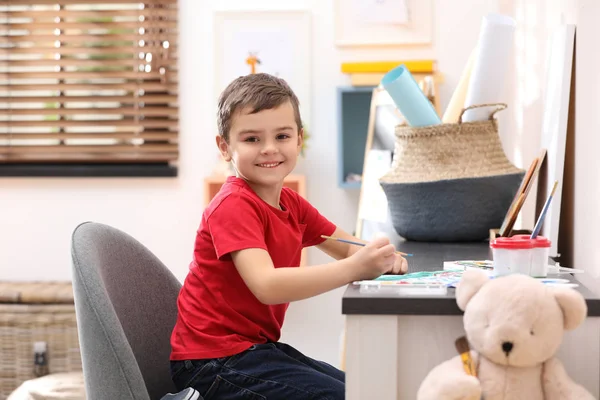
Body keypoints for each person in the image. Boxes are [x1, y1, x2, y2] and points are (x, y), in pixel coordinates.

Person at [169, 73, 408, 399]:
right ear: (225, 148)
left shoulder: (290, 204)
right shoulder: (233, 205)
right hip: (212, 363)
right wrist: (358, 268)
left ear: (298, 140)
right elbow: (267, 285)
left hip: (252, 351)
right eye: (251, 139)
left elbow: (348, 248)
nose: (269, 149)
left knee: (361, 389)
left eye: (281, 136)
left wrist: (382, 257)